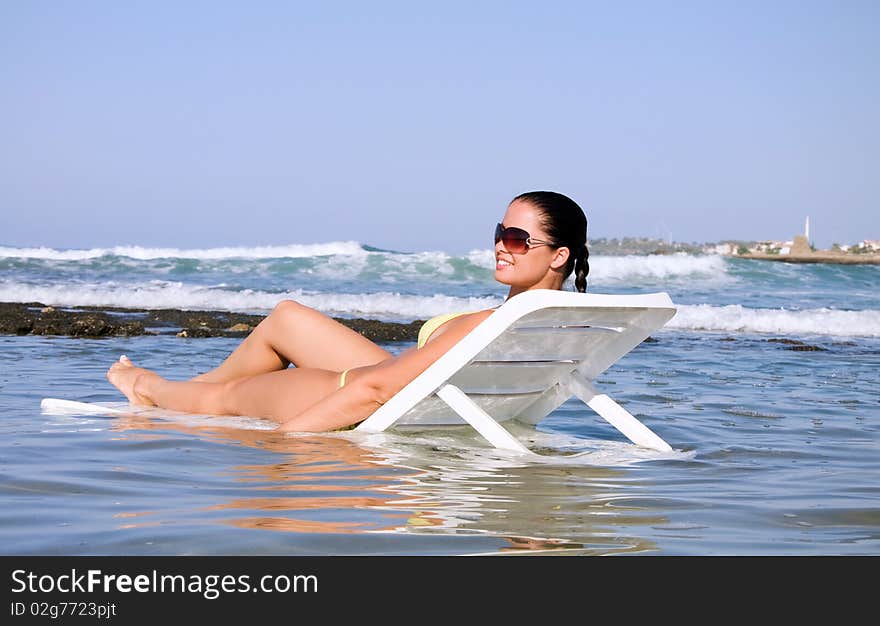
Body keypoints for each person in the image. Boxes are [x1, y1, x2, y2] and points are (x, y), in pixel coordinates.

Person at [106, 191, 590, 432]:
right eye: (499, 233)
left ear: (558, 255)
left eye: (516, 239)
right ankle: (194, 387)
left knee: (228, 398)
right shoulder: (565, 319)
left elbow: (376, 389)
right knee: (287, 316)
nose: (500, 247)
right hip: (404, 386)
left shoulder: (497, 321)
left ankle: (148, 389)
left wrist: (291, 440)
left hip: (353, 392)